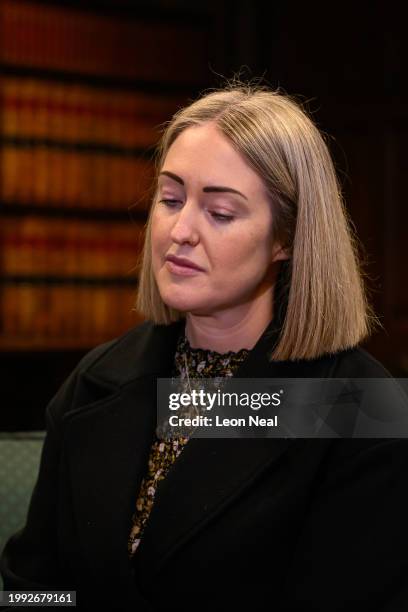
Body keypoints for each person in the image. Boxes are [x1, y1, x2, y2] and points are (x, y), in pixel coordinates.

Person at [1, 82, 408, 611]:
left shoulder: (359, 410)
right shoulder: (96, 380)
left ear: (287, 238)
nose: (180, 230)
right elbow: (33, 589)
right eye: (170, 199)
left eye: (219, 212)